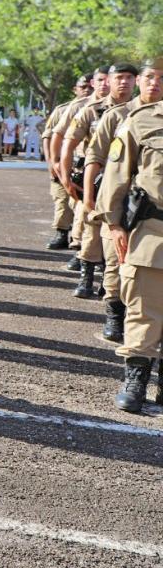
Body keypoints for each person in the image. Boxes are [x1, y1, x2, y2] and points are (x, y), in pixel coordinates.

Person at [98, 56, 163, 412]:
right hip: (154, 231)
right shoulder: (142, 121)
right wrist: (114, 223)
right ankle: (136, 378)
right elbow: (116, 176)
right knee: (143, 308)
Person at [87, 62, 156, 344]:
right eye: (149, 77)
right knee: (116, 263)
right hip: (122, 205)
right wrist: (91, 201)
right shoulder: (119, 116)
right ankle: (115, 313)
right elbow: (97, 156)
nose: (155, 83)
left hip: (151, 213)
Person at [63, 64, 137, 300]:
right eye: (118, 78)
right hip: (98, 179)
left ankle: (111, 282)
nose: (123, 82)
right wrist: (63, 174)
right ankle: (87, 277)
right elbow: (73, 145)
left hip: (132, 183)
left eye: (129, 78)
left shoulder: (142, 113)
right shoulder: (93, 111)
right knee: (92, 230)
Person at [43, 75, 92, 248]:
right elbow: (48, 136)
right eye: (83, 86)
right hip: (62, 162)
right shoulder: (62, 110)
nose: (87, 89)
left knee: (81, 203)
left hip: (82, 163)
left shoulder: (98, 109)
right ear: (75, 89)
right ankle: (62, 233)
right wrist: (51, 161)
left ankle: (80, 241)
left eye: (89, 86)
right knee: (61, 200)